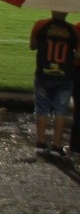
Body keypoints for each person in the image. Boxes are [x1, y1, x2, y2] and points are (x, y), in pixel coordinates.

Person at [29, 11, 76, 157]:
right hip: (64, 75)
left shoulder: (40, 25)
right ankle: (57, 146)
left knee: (42, 109)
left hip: (44, 73)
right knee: (61, 111)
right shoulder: (73, 30)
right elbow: (78, 53)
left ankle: (41, 143)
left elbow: (33, 46)